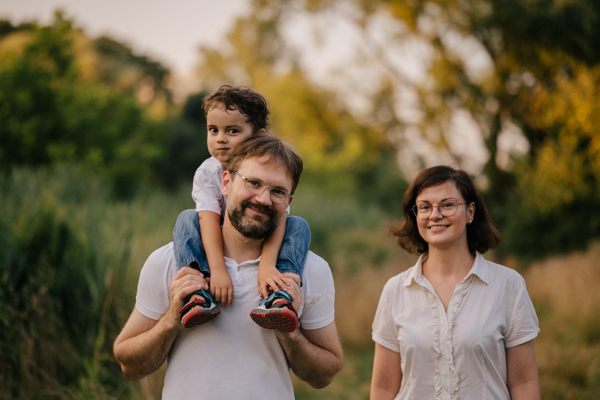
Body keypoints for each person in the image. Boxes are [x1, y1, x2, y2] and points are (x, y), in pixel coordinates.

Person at [113, 135, 344, 399]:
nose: (264, 199)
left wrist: (290, 333)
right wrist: (171, 319)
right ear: (226, 182)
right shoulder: (170, 261)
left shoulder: (308, 270)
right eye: (253, 183)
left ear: (289, 201)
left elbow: (325, 374)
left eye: (278, 191)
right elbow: (129, 364)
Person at [370, 165, 540, 400]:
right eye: (424, 207)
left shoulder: (508, 285)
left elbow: (524, 383)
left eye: (447, 204)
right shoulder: (395, 290)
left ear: (470, 212)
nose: (435, 214)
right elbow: (384, 388)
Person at [173, 85, 311, 331]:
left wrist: (267, 266)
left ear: (258, 135)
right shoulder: (208, 172)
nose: (220, 138)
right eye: (213, 130)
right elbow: (207, 220)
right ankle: (197, 292)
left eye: (232, 130)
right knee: (187, 218)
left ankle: (280, 293)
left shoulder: (273, 167)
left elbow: (280, 220)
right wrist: (217, 271)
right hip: (220, 238)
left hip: (262, 233)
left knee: (299, 225)